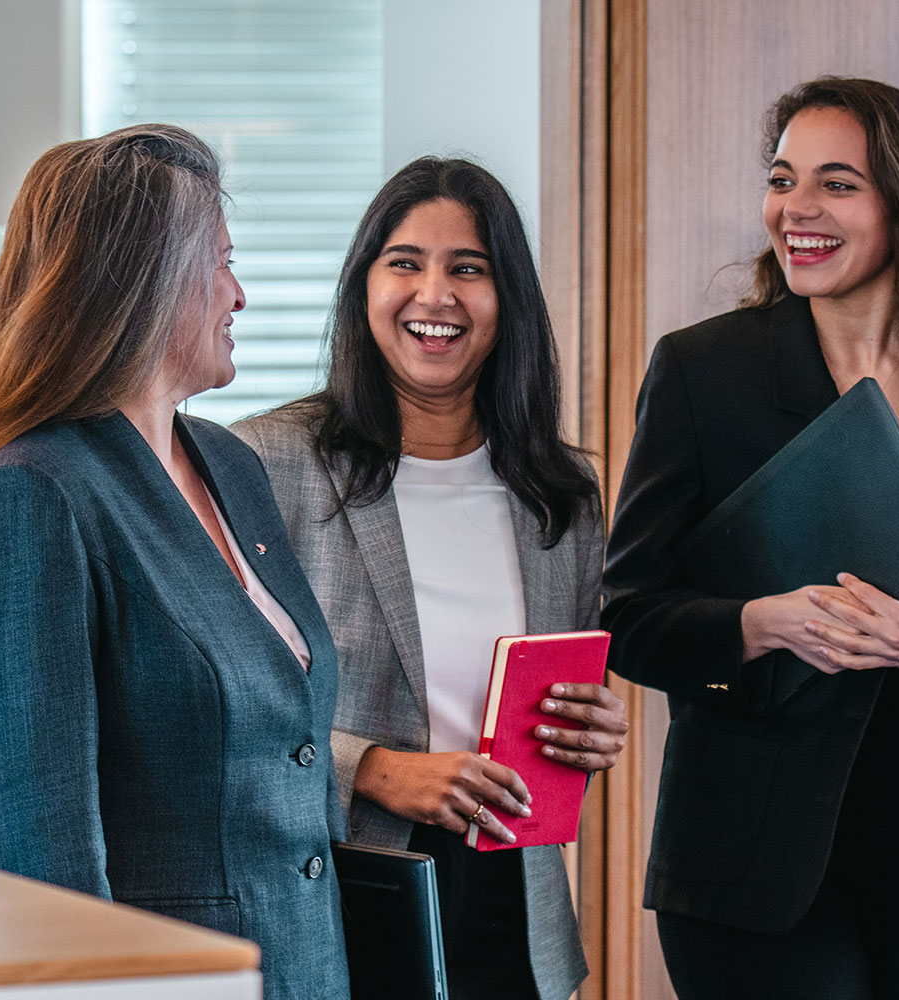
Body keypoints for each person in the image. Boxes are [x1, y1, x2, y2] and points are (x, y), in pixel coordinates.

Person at [600, 77, 899, 999]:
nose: (797, 209)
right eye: (783, 179)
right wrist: (765, 622)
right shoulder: (704, 372)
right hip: (754, 871)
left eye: (836, 183)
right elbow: (629, 616)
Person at [0, 124, 350, 1000]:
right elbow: (41, 851)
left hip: (303, 971)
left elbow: (290, 758)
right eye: (221, 260)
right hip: (158, 982)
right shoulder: (32, 493)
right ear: (145, 281)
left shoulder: (231, 465)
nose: (240, 292)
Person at [233, 157, 629, 1000]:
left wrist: (585, 736)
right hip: (337, 893)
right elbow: (223, 709)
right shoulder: (269, 464)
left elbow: (542, 709)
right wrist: (373, 768)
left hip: (512, 906)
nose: (435, 295)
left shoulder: (560, 495)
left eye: (469, 269)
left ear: (507, 299)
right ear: (363, 286)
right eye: (405, 263)